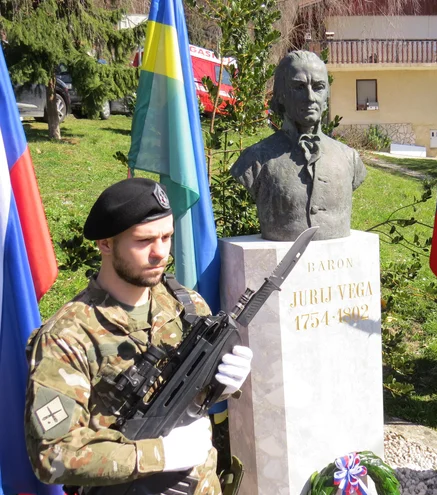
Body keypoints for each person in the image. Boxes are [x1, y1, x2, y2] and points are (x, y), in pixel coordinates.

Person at [24, 178, 252, 494]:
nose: (160, 253)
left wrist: (222, 385)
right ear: (105, 243)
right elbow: (53, 455)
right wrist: (157, 454)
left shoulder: (184, 304)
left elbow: (189, 400)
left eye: (167, 237)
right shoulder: (67, 336)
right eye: (144, 241)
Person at [230, 50, 367, 242]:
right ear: (280, 95)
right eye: (299, 87)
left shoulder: (349, 158)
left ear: (327, 95)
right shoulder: (254, 160)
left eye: (318, 87)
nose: (310, 97)